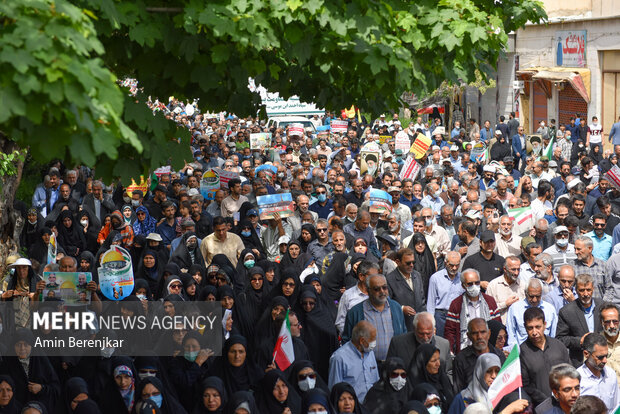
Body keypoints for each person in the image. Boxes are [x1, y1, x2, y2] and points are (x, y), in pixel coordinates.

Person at [342, 274, 407, 362]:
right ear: (368, 291)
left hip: (393, 365)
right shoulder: (355, 312)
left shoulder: (396, 307)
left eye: (384, 287)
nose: (382, 291)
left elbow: (403, 334)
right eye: (377, 289)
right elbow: (347, 341)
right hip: (366, 366)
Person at [519, 307, 570, 407]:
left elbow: (570, 372)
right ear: (525, 327)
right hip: (540, 407)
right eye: (530, 328)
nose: (534, 332)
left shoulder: (558, 346)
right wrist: (545, 401)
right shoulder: (522, 352)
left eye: (538, 327)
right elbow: (525, 385)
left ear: (545, 325)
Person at [444, 269, 501, 354]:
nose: (474, 286)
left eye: (477, 283)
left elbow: (497, 326)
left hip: (488, 349)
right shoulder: (456, 304)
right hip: (466, 350)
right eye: (470, 284)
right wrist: (451, 351)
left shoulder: (490, 301)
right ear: (463, 286)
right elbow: (450, 331)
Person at [555, 274, 603, 367]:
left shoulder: (602, 306)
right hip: (580, 363)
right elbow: (560, 339)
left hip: (603, 360)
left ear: (593, 289)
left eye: (588, 290)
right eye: (582, 290)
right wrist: (580, 341)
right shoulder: (567, 312)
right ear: (576, 290)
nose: (585, 294)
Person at [328, 321, 379, 402]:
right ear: (362, 341)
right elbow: (335, 392)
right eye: (372, 340)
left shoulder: (370, 353)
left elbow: (376, 381)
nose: (374, 343)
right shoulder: (339, 358)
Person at [453, 318, 506, 392]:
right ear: (469, 336)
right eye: (475, 333)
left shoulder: (499, 355)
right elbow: (458, 391)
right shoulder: (461, 359)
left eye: (483, 332)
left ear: (489, 334)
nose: (479, 337)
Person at [506, 278, 557, 346]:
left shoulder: (550, 310)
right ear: (525, 293)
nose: (535, 300)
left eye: (538, 296)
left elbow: (553, 335)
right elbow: (511, 335)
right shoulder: (515, 309)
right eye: (531, 296)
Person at [386, 248, 427, 331]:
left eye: (413, 262)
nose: (411, 265)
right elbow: (386, 304)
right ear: (398, 262)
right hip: (401, 326)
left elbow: (422, 301)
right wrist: (401, 308)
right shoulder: (389, 279)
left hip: (418, 326)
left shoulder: (417, 275)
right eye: (408, 263)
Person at [575, 333, 617, 411]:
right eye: (600, 357)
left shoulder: (611, 375)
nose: (605, 360)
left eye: (607, 356)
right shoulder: (576, 379)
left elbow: (616, 407)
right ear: (586, 354)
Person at [335, 261, 379, 335]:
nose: (376, 279)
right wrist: (352, 338)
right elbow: (340, 322)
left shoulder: (379, 294)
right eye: (373, 276)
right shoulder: (348, 295)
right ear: (361, 276)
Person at [407, 343, 454, 411]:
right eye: (433, 361)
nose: (438, 364)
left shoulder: (442, 378)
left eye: (438, 359)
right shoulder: (411, 383)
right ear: (423, 363)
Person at [427, 251, 464, 336]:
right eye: (451, 265)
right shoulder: (435, 278)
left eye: (457, 265)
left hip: (457, 316)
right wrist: (431, 324)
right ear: (445, 263)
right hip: (440, 316)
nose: (454, 268)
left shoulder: (462, 278)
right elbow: (431, 303)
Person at [486, 256, 526, 324]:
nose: (516, 273)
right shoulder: (493, 285)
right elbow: (487, 310)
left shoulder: (523, 285)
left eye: (518, 269)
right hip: (500, 329)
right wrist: (505, 304)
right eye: (513, 269)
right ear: (505, 269)